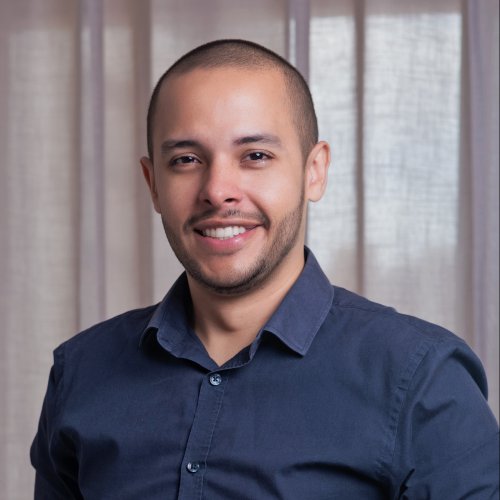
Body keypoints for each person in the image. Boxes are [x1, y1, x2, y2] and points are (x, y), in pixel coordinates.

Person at [31, 39, 498, 499]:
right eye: (186, 160)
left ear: (314, 172)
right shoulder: (80, 373)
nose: (218, 190)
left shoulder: (423, 379)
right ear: (153, 184)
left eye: (255, 156)